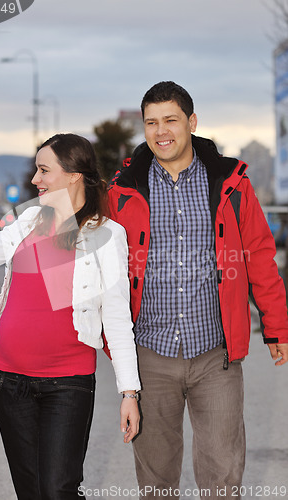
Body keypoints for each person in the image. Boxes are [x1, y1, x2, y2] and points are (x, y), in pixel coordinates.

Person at [108, 81, 288, 499]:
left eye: (170, 119)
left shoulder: (231, 183)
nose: (160, 131)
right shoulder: (122, 191)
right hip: (149, 357)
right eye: (151, 122)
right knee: (155, 482)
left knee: (223, 478)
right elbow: (98, 264)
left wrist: (276, 327)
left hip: (216, 356)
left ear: (191, 122)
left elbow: (259, 256)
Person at [0, 133, 140, 500]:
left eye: (44, 170)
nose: (35, 180)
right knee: (31, 491)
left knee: (58, 489)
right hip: (7, 382)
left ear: (73, 175)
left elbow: (117, 317)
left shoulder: (106, 234)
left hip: (67, 384)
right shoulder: (27, 223)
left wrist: (129, 392)